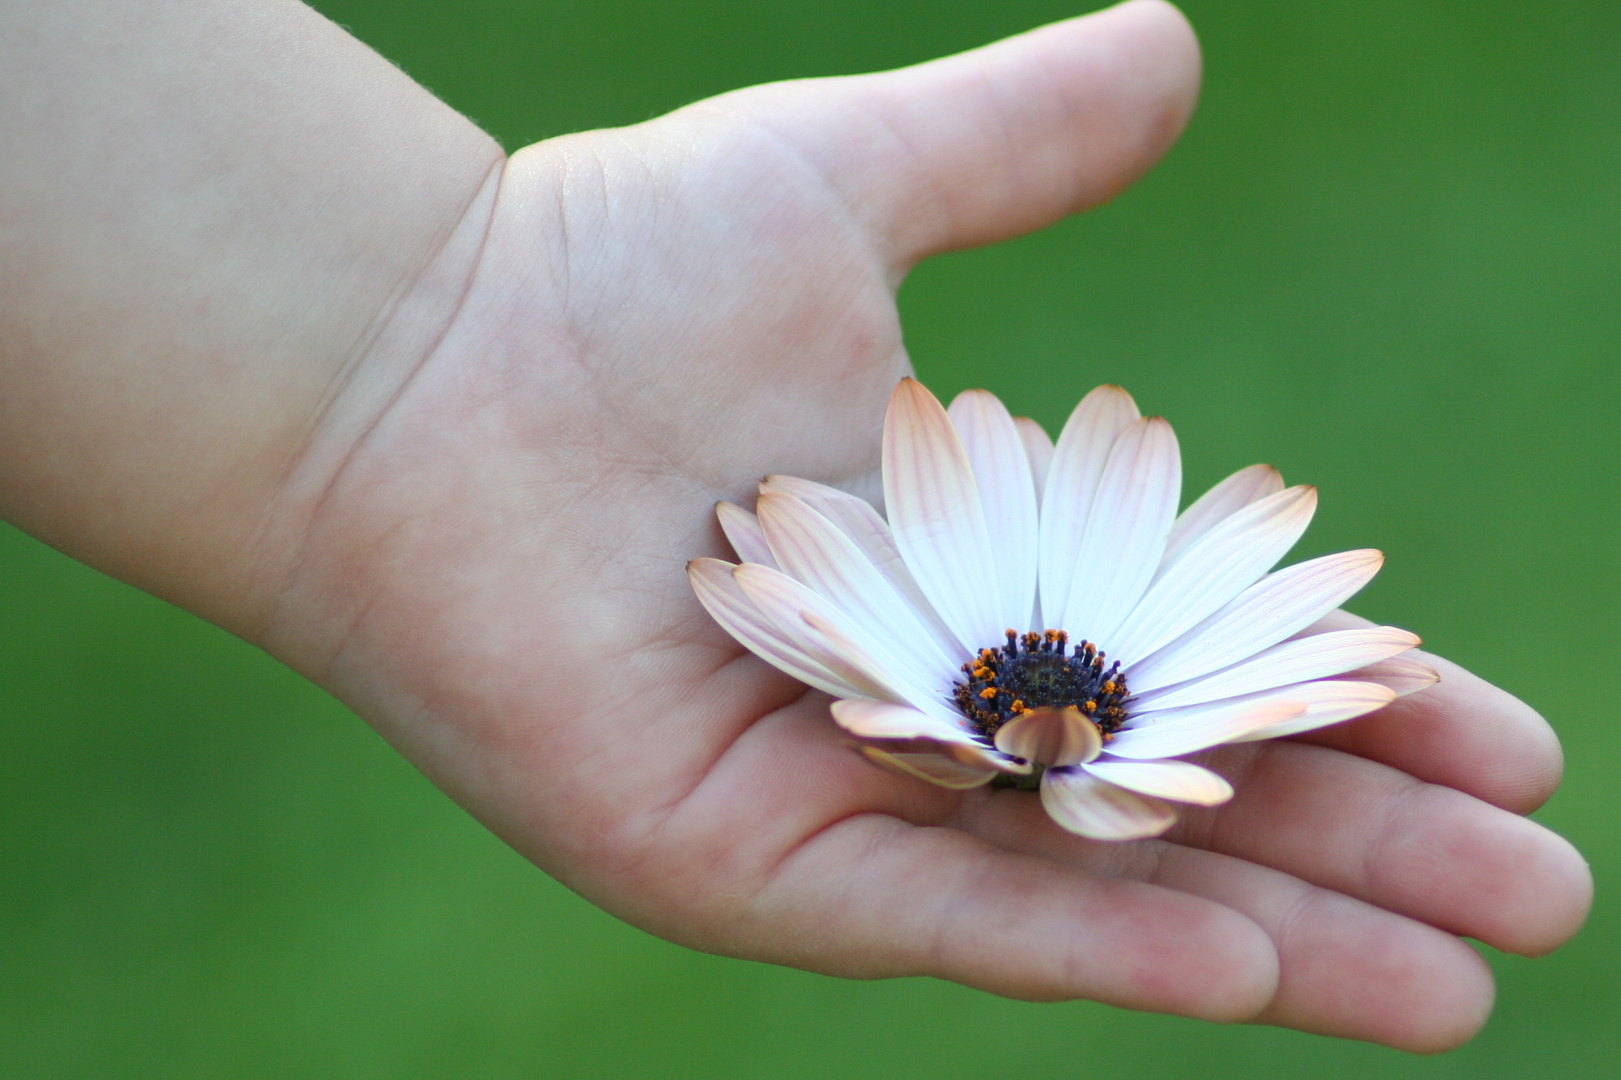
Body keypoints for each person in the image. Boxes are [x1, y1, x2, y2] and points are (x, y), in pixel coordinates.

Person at [0, 0, 1590, 1051]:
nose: (1043, 719)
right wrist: (416, 314)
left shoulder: (1056, 718)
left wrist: (403, 309)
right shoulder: (981, 693)